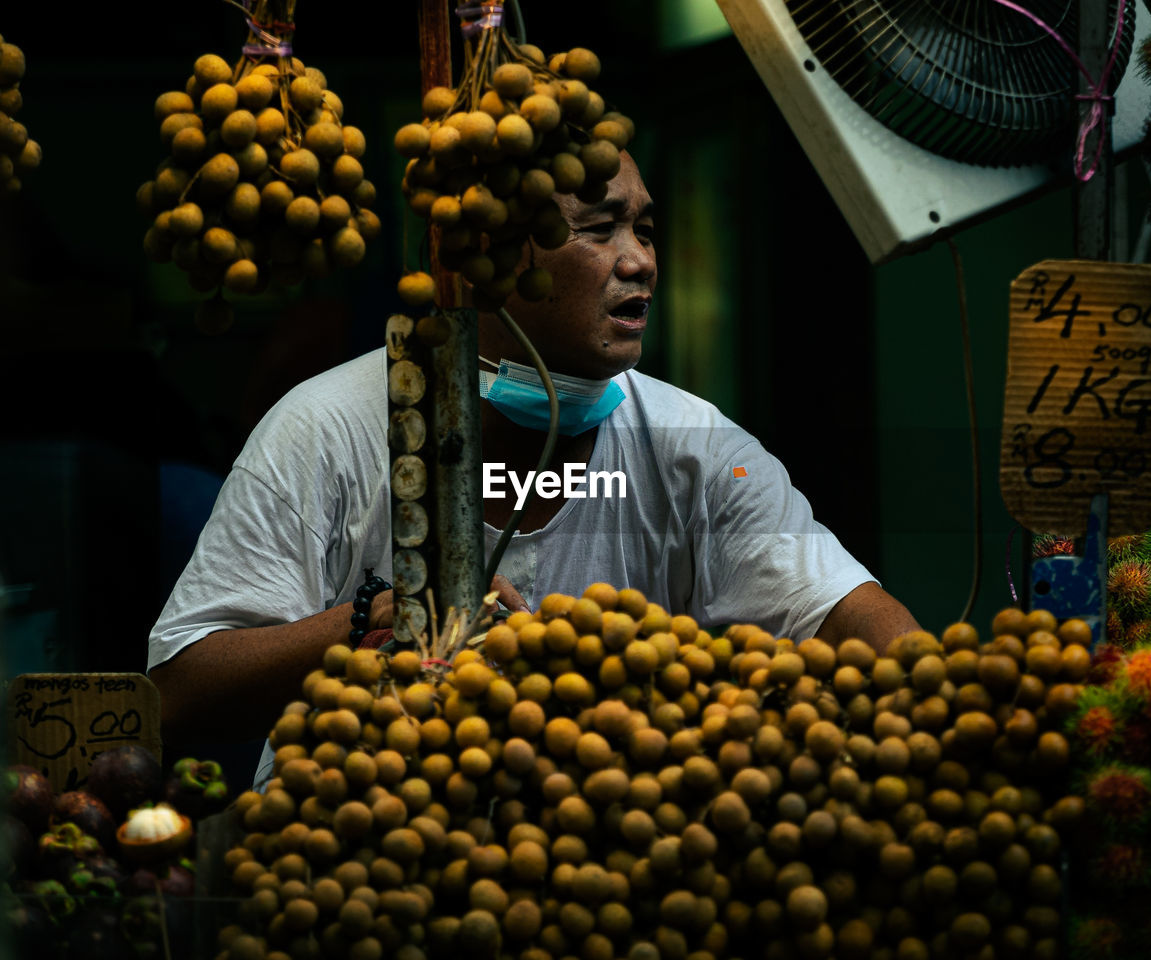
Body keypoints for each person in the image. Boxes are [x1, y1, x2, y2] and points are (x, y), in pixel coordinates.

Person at [147, 152, 921, 778]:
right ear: (485, 259)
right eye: (599, 229)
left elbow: (850, 611)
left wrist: (943, 698)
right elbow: (180, 692)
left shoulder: (696, 445)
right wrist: (371, 621)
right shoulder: (326, 428)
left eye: (645, 230)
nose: (641, 261)